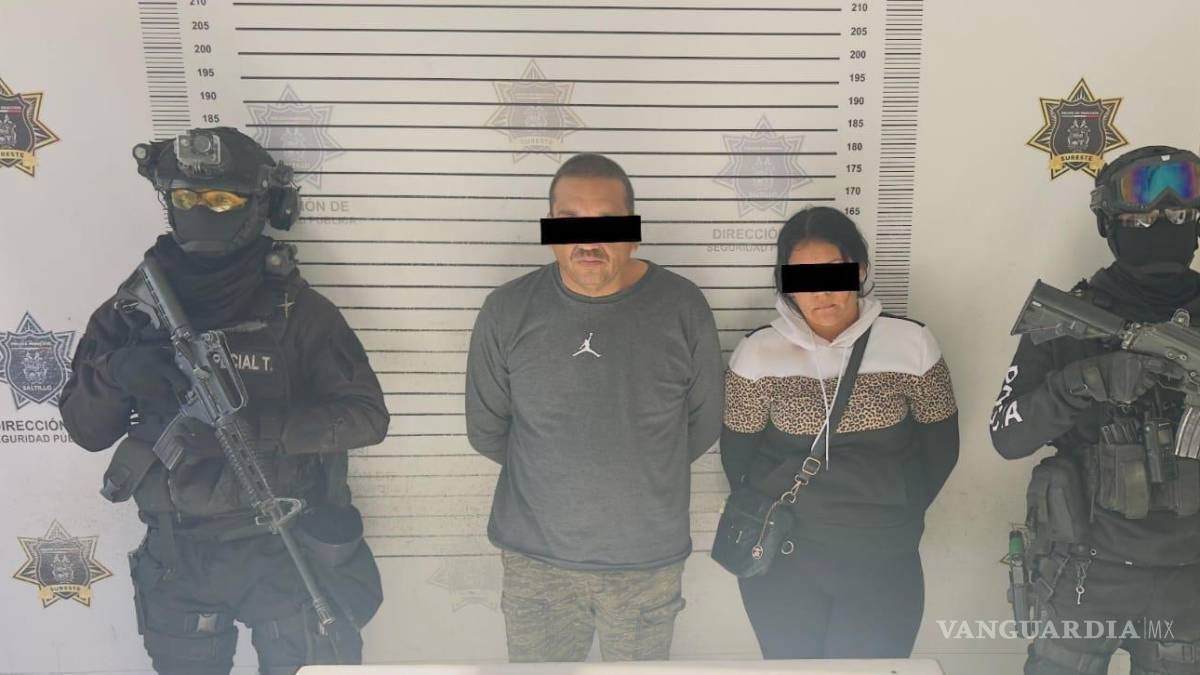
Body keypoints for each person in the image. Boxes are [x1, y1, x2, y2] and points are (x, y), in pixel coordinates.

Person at [60, 127, 390, 675]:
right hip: (180, 554)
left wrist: (259, 431)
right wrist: (117, 372)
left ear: (259, 205)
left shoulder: (296, 311)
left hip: (284, 547)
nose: (202, 211)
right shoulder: (133, 311)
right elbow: (84, 428)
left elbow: (366, 418)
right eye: (187, 198)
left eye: (221, 200)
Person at [464, 153, 725, 662]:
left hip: (645, 562)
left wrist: (635, 471)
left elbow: (702, 423)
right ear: (549, 228)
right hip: (537, 562)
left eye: (606, 222)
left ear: (633, 232)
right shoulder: (507, 310)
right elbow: (486, 429)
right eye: (569, 222)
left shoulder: (683, 306)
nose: (587, 240)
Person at [991, 145, 1200, 675]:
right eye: (1141, 218)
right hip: (1085, 570)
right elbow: (1007, 435)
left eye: (1180, 216)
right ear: (1109, 225)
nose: (1162, 226)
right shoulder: (1072, 319)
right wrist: (1084, 382)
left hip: (1191, 581)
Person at [720, 206, 959, 659]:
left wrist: (896, 513)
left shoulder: (912, 345)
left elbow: (941, 450)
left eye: (834, 272)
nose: (822, 291)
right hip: (785, 561)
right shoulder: (757, 354)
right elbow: (738, 461)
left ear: (860, 269)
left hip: (883, 558)